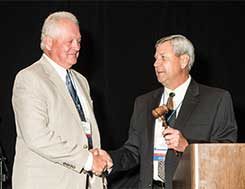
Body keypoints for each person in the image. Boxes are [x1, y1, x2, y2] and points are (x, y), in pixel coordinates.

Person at [100, 34, 238, 189]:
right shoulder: (143, 103)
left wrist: (188, 147)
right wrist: (110, 159)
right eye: (155, 58)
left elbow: (228, 154)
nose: (155, 64)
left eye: (163, 58)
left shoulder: (216, 100)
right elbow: (133, 152)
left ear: (184, 60)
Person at [11, 11, 111, 189]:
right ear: (49, 42)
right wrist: (88, 161)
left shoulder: (81, 81)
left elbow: (83, 131)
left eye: (79, 41)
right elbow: (37, 137)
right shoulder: (29, 78)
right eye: (70, 41)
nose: (77, 47)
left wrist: (97, 155)